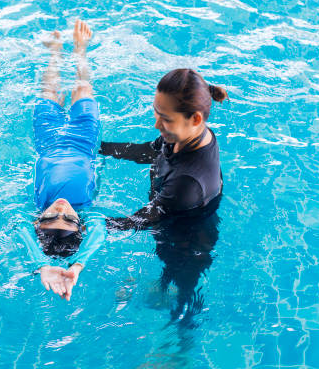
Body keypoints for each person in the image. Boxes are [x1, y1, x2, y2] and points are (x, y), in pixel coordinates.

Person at [17, 19, 105, 301]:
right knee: (82, 88)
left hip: (47, 141)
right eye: (68, 218)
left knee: (48, 93)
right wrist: (78, 264)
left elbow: (22, 232)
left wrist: (42, 265)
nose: (61, 208)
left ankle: (55, 53)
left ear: (37, 222)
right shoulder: (88, 210)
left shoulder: (34, 209)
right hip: (84, 141)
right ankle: (81, 50)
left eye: (53, 216)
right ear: (81, 224)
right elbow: (99, 234)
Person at [100, 68, 227, 229]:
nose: (157, 124)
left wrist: (91, 226)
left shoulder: (187, 183)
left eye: (166, 118)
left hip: (181, 244)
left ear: (195, 119)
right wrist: (98, 148)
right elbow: (148, 152)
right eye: (156, 111)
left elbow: (144, 219)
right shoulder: (185, 133)